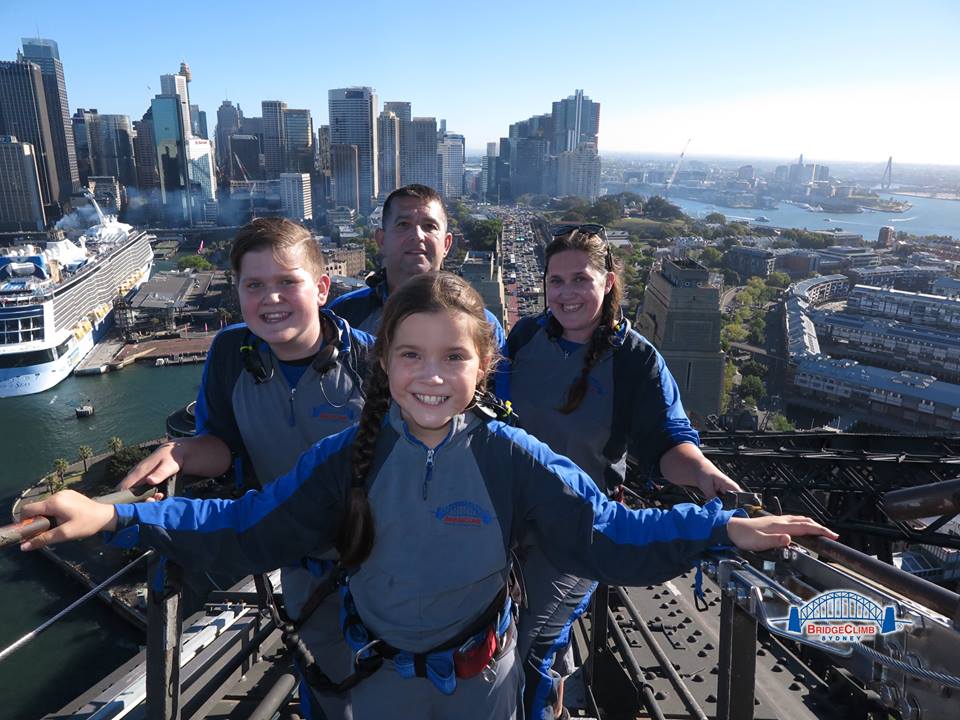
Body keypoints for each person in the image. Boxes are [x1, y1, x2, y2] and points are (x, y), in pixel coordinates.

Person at [22, 272, 837, 720]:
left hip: (483, 680)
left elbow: (607, 535)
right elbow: (245, 526)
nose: (432, 376)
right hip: (377, 680)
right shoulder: (347, 457)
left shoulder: (513, 457)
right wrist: (112, 515)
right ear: (384, 366)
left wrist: (725, 529)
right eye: (411, 355)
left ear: (484, 369)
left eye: (453, 357)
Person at [119, 217, 371, 720]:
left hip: (380, 557)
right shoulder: (232, 353)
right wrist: (184, 454)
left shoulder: (370, 361)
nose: (271, 299)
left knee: (393, 686)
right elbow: (227, 447)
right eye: (254, 285)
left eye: (287, 282)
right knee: (326, 692)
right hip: (301, 560)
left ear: (321, 288)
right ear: (237, 292)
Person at [503, 224, 741, 719]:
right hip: (508, 522)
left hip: (578, 530)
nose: (566, 293)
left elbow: (667, 442)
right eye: (556, 281)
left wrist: (701, 474)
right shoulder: (526, 336)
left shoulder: (635, 361)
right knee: (531, 636)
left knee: (524, 644)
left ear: (609, 282)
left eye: (580, 279)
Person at [330, 184, 506, 349]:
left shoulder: (483, 325)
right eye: (403, 225)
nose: (417, 236)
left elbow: (498, 381)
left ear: (446, 244)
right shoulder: (342, 314)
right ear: (382, 240)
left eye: (429, 226)